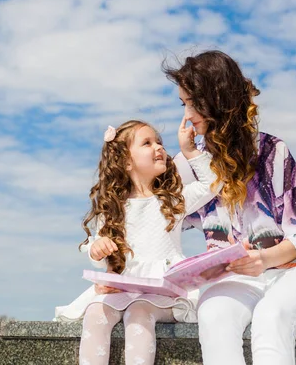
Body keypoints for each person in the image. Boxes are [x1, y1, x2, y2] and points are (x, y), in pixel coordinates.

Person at [166, 50, 296, 365]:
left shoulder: (273, 152)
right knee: (214, 314)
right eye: (183, 104)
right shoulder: (188, 162)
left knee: (271, 317)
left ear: (217, 99)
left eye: (192, 103)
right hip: (235, 279)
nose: (187, 116)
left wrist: (264, 259)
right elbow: (156, 216)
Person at [54, 118, 220, 365]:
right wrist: (98, 250)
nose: (159, 147)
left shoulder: (173, 202)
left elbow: (212, 183)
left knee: (139, 312)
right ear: (126, 161)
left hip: (163, 291)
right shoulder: (112, 209)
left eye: (159, 142)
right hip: (121, 288)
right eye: (147, 143)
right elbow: (97, 249)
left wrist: (190, 150)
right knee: (95, 312)